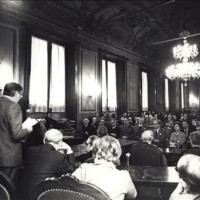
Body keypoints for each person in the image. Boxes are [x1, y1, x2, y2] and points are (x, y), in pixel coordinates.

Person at [72, 136, 137, 200]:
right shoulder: (124, 176)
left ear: (95, 151)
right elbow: (133, 196)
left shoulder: (84, 168)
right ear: (117, 153)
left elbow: (67, 187)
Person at [19, 129, 75, 199]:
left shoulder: (30, 150)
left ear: (44, 140)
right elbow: (71, 169)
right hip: (43, 194)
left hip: (23, 192)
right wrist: (69, 150)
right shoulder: (59, 156)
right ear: (60, 142)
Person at [0, 82, 33, 184]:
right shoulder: (14, 106)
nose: (21, 97)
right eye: (21, 94)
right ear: (16, 94)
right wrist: (28, 129)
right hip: (8, 157)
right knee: (7, 189)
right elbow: (17, 134)